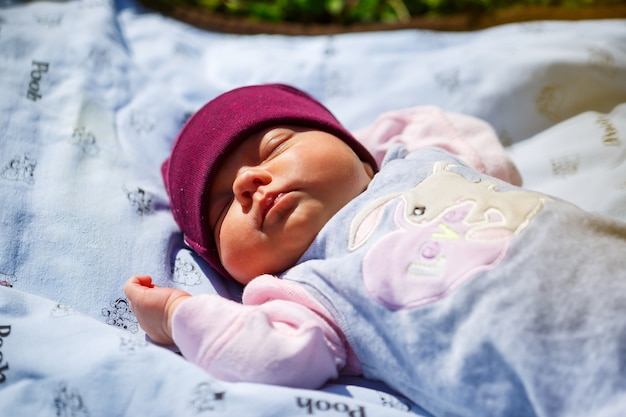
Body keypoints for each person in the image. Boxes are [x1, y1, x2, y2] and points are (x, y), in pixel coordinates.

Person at [125, 84, 626, 417]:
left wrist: (363, 164)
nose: (249, 183)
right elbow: (267, 358)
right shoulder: (306, 293)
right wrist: (176, 315)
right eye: (220, 213)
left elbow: (461, 134)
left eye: (275, 146)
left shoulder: (421, 160)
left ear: (355, 147)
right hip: (578, 386)